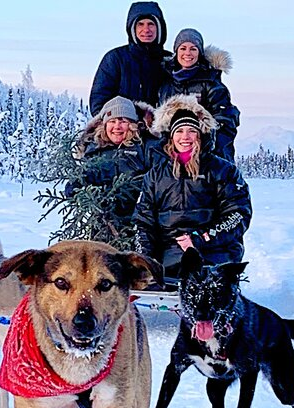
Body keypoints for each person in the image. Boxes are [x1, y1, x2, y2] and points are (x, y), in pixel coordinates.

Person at [134, 94, 252, 281]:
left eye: (191, 131)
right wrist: (145, 260)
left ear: (201, 134)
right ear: (171, 137)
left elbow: (237, 215)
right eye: (179, 131)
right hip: (168, 255)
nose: (185, 137)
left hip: (213, 252)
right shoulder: (156, 175)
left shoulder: (223, 170)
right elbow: (144, 222)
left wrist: (202, 238)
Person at [63, 96, 154, 247]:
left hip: (140, 224)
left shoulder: (146, 147)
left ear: (133, 125)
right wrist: (76, 186)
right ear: (104, 125)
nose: (117, 126)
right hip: (104, 224)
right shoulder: (94, 151)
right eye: (112, 121)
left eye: (123, 121)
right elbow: (86, 177)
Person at [158, 28, 240, 162]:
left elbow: (225, 119)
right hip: (172, 151)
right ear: (176, 51)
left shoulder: (211, 82)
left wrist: (210, 145)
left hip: (205, 150)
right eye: (183, 48)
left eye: (193, 49)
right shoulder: (165, 83)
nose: (187, 53)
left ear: (200, 53)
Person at [89, 2, 169, 116]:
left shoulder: (169, 61)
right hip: (125, 130)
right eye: (140, 24)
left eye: (151, 24)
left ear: (159, 27)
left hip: (161, 131)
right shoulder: (115, 59)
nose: (146, 30)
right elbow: (99, 101)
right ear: (132, 28)